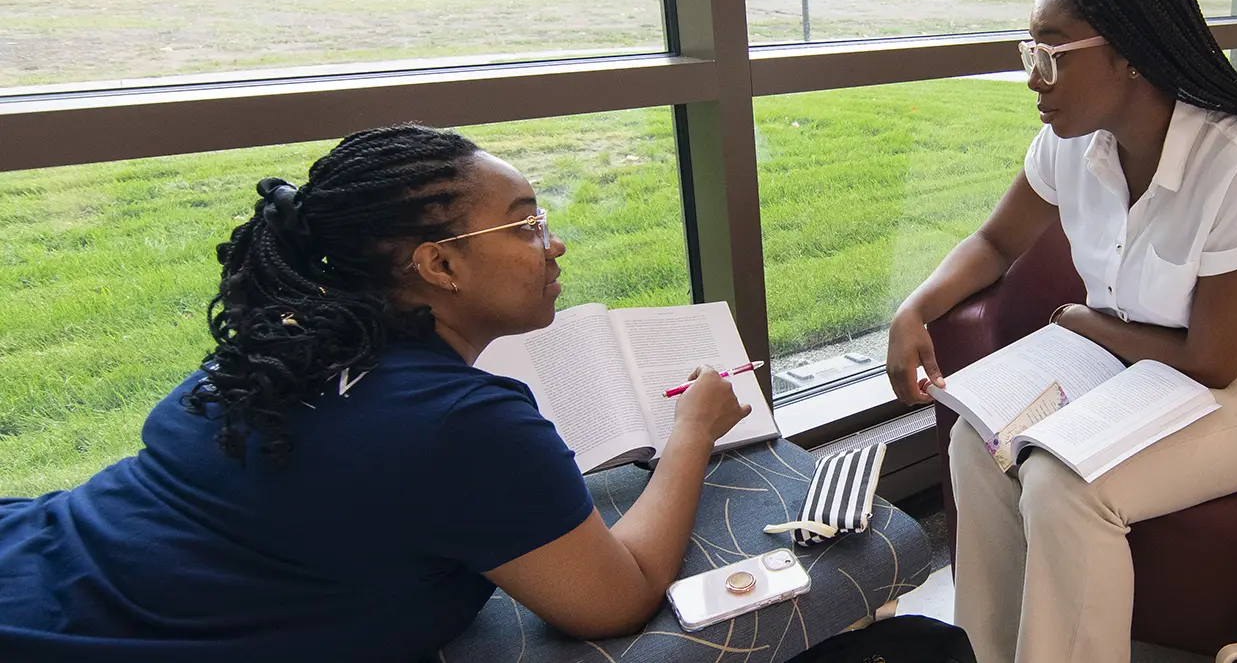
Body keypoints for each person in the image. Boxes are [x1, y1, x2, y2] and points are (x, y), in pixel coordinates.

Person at [0, 125, 749, 661]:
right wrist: (692, 429)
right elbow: (614, 598)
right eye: (525, 223)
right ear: (438, 266)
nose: (552, 243)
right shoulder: (462, 423)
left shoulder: (280, 348)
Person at [885, 0, 1237, 663]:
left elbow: (1214, 359)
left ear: (1130, 53)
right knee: (979, 444)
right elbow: (997, 243)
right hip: (1129, 353)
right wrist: (912, 308)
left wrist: (1088, 323)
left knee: (1067, 484)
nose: (1033, 78)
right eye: (1028, 50)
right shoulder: (1074, 142)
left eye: (1052, 51)